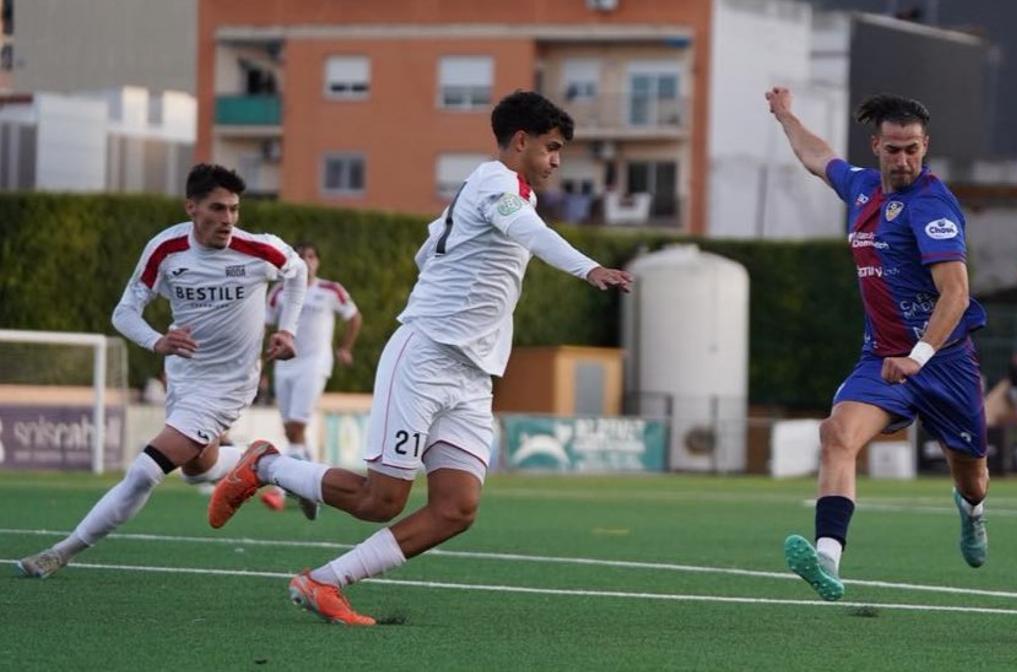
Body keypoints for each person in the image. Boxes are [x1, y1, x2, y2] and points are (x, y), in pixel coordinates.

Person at [206, 90, 633, 625]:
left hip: (474, 376)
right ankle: (263, 464)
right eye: (551, 147)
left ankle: (323, 582)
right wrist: (589, 268)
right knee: (380, 500)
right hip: (427, 356)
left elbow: (428, 249)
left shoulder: (503, 193)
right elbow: (526, 232)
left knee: (457, 508)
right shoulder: (496, 182)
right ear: (520, 141)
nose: (556, 160)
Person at [16, 163, 306, 578]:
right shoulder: (165, 251)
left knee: (143, 471)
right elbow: (124, 312)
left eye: (234, 210)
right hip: (184, 378)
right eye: (217, 209)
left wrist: (289, 330)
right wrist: (157, 341)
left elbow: (298, 273)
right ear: (192, 207)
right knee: (197, 471)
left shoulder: (259, 250)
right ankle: (264, 463)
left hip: (228, 384)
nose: (228, 220)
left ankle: (61, 552)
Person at [765, 88, 990, 601]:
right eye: (893, 149)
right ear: (876, 147)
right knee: (837, 434)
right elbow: (817, 156)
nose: (904, 159)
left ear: (925, 146)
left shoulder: (932, 206)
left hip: (944, 363)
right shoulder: (863, 189)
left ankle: (973, 513)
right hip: (882, 359)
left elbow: (955, 294)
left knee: (973, 478)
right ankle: (827, 558)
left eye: (912, 148)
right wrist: (784, 115)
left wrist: (919, 356)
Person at [259, 242, 362, 519]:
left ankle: (279, 493)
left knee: (295, 427)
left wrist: (345, 348)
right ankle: (314, 487)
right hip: (285, 365)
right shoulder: (280, 291)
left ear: (318, 261)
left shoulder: (331, 290)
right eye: (301, 256)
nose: (307, 260)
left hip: (314, 365)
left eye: (311, 256)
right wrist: (259, 362)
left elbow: (354, 318)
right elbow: (264, 325)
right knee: (292, 431)